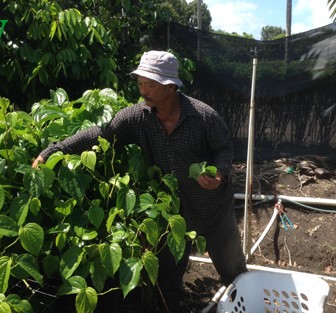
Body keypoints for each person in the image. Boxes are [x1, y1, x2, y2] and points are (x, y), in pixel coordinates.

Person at [32, 50, 247, 311]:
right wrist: (52, 151)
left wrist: (220, 172)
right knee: (168, 279)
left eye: (150, 85)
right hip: (173, 215)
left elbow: (224, 147)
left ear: (170, 87)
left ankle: (247, 304)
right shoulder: (137, 117)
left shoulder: (202, 116)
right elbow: (100, 133)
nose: (142, 90)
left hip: (213, 208)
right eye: (140, 83)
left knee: (234, 271)